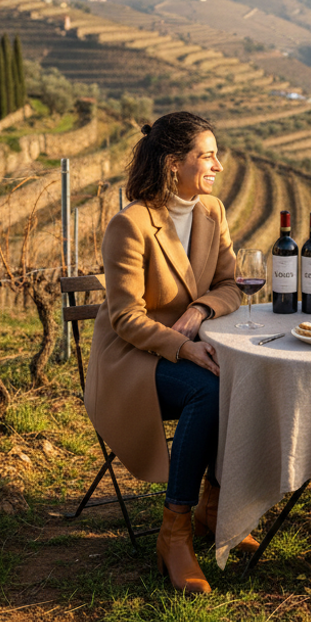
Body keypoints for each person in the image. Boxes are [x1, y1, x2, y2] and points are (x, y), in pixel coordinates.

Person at [84, 111, 257, 595]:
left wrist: (200, 310)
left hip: (187, 345)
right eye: (207, 156)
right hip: (131, 360)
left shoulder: (211, 212)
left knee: (236, 379)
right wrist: (181, 345)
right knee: (208, 391)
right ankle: (174, 533)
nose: (218, 166)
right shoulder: (131, 225)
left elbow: (230, 285)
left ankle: (214, 510)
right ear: (173, 163)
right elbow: (124, 318)